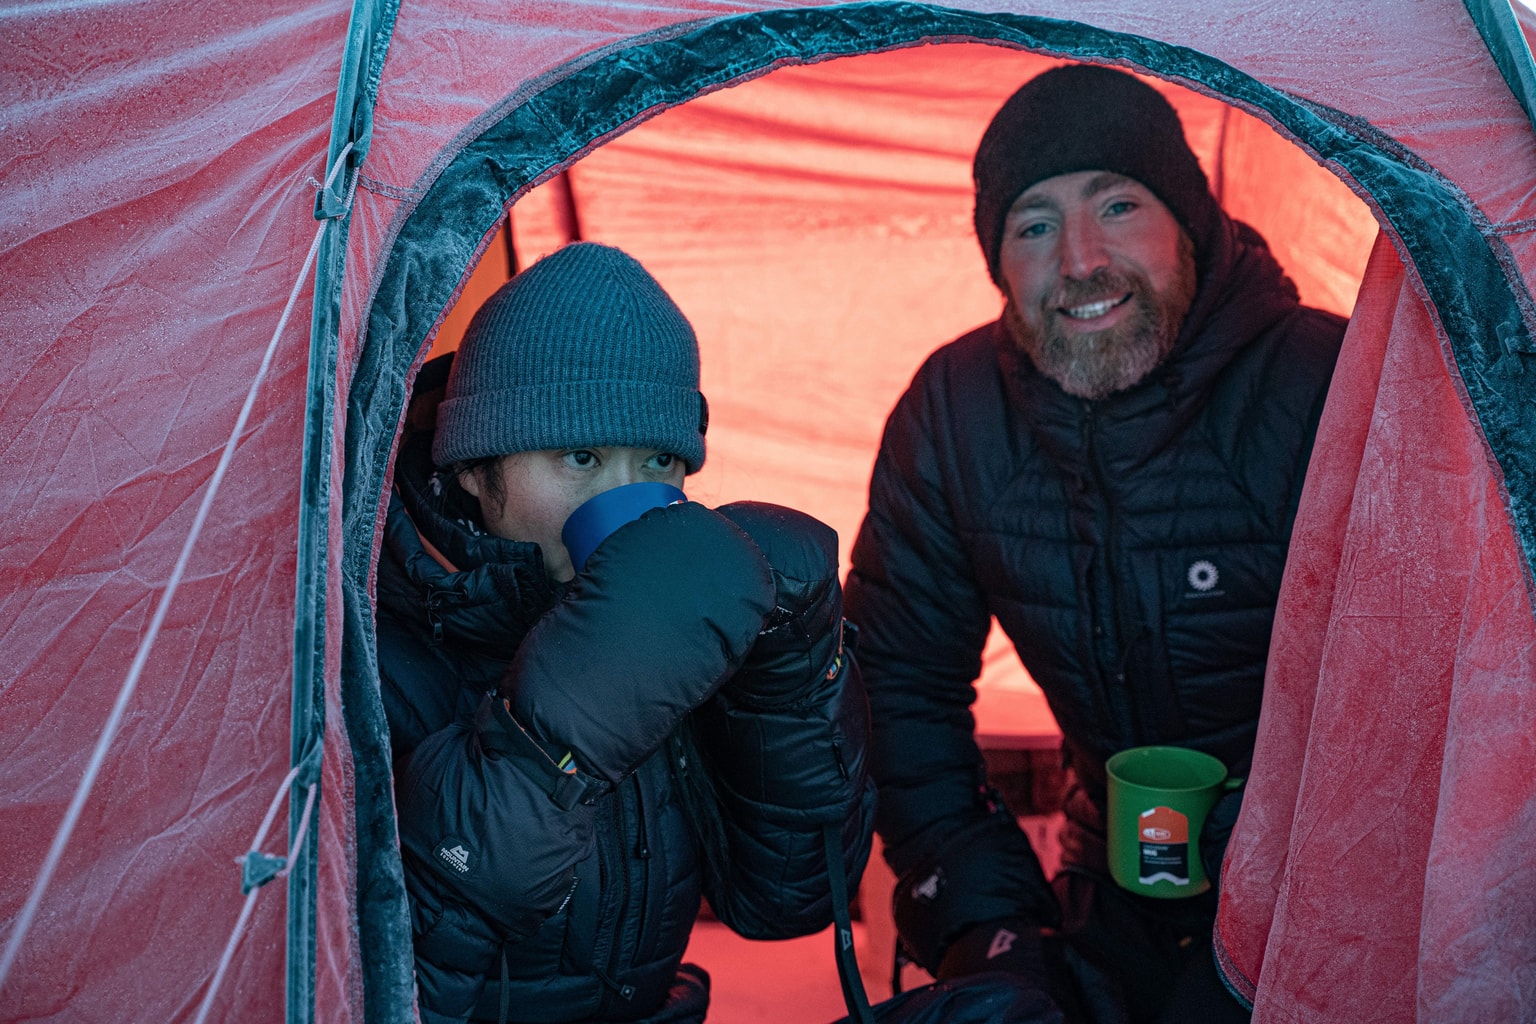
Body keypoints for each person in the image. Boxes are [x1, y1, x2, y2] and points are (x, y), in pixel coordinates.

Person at [843, 65, 1348, 1023]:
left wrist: (1271, 927)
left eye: (1117, 205)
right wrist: (988, 933)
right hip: (1108, 882)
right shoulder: (957, 417)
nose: (1078, 259)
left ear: (1190, 217)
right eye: (1034, 225)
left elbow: (1423, 702)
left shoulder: (1325, 387)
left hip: (1327, 895)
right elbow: (897, 686)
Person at [373, 241, 876, 1024]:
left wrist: (793, 678)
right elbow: (380, 994)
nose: (625, 500)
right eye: (581, 457)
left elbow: (785, 901)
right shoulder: (367, 646)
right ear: (474, 466)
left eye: (658, 462)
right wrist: (549, 742)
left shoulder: (680, 619)